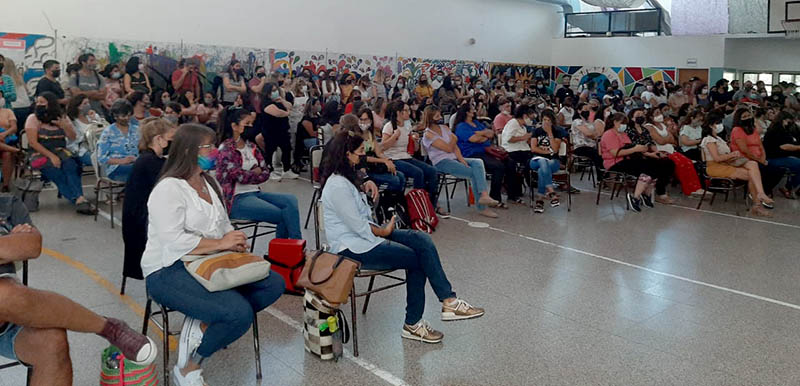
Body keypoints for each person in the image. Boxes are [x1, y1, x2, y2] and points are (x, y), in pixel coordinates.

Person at [142, 123, 284, 386]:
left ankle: (205, 323)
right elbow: (172, 241)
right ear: (188, 150)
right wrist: (221, 243)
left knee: (274, 283)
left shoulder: (209, 182)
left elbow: (223, 224)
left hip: (208, 262)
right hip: (168, 269)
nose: (214, 152)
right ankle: (189, 367)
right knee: (238, 314)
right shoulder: (169, 188)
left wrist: (235, 240)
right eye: (208, 147)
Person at [320, 130, 484, 344]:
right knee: (417, 260)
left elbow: (363, 217)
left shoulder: (348, 178)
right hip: (352, 248)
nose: (363, 156)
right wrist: (384, 231)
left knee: (420, 239)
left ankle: (449, 301)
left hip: (366, 237)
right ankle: (413, 323)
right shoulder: (338, 186)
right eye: (360, 152)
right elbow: (358, 227)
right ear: (347, 155)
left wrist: (365, 185)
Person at [0, 197, 157, 386]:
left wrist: (15, 246)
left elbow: (31, 246)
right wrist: (7, 245)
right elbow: (16, 247)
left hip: (10, 321)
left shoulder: (8, 205)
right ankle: (107, 327)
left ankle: (110, 328)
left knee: (51, 340)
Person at [216, 108, 302, 240]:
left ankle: (293, 247)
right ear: (235, 126)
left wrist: (251, 173)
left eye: (252, 123)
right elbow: (240, 177)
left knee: (290, 200)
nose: (252, 127)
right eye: (247, 124)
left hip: (255, 192)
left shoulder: (251, 146)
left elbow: (266, 172)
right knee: (284, 214)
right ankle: (292, 249)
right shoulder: (226, 149)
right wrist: (254, 172)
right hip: (236, 199)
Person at [122, 118, 176, 282]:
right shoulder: (149, 162)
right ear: (159, 139)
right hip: (141, 222)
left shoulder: (151, 159)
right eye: (171, 139)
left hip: (140, 215)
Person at [25, 92, 96, 214]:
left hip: (61, 151)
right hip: (40, 153)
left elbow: (73, 137)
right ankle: (79, 199)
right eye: (37, 102)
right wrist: (51, 156)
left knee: (71, 166)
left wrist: (64, 126)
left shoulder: (62, 117)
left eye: (42, 102)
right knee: (56, 171)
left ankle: (79, 199)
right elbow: (33, 143)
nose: (38, 105)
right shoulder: (33, 118)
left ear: (51, 104)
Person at [422, 106, 498, 217]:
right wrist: (454, 139)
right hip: (441, 161)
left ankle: (484, 195)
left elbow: (455, 147)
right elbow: (448, 148)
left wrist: (462, 160)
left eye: (440, 115)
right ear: (430, 118)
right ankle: (482, 205)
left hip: (454, 157)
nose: (440, 117)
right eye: (437, 116)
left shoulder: (444, 127)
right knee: (473, 173)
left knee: (478, 162)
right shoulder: (428, 134)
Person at [600, 113, 672, 212]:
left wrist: (646, 151)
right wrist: (635, 149)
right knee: (647, 168)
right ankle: (635, 197)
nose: (624, 125)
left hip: (628, 159)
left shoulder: (623, 134)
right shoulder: (609, 134)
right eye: (622, 123)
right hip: (615, 162)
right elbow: (614, 153)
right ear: (615, 122)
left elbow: (632, 147)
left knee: (657, 165)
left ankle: (646, 194)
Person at [700, 120, 774, 216]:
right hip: (715, 167)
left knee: (753, 164)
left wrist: (732, 156)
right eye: (715, 124)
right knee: (752, 175)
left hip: (726, 163)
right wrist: (732, 154)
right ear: (710, 126)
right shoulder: (709, 140)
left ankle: (760, 194)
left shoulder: (718, 138)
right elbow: (717, 158)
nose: (718, 126)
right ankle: (758, 204)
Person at [454, 103, 521, 207]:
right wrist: (483, 134)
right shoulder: (461, 126)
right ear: (467, 112)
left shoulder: (476, 123)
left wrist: (479, 133)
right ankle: (495, 198)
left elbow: (490, 133)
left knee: (510, 163)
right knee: (498, 166)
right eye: (472, 109)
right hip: (472, 154)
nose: (475, 110)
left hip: (487, 150)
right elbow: (473, 139)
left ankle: (512, 195)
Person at [381, 101, 441, 213]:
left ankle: (431, 203)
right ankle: (417, 204)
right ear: (399, 112)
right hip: (394, 158)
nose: (409, 112)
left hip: (406, 156)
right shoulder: (389, 126)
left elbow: (415, 149)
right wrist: (394, 137)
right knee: (418, 172)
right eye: (406, 110)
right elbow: (383, 147)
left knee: (432, 170)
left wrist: (415, 141)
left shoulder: (407, 125)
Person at [645, 107, 703, 196]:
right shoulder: (649, 126)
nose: (660, 115)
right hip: (661, 150)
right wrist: (667, 139)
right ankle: (689, 189)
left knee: (688, 162)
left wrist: (666, 139)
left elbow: (673, 140)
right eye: (657, 113)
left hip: (671, 149)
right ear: (651, 117)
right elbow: (660, 141)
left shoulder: (663, 125)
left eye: (660, 113)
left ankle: (696, 187)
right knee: (681, 164)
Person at [730, 108, 784, 203]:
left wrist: (763, 158)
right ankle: (757, 194)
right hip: (745, 159)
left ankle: (764, 192)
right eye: (744, 117)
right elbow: (744, 150)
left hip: (758, 158)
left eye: (748, 115)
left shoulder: (752, 129)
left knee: (779, 170)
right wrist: (759, 160)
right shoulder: (737, 130)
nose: (747, 118)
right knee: (764, 170)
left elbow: (760, 146)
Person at [625, 108, 677, 205]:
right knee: (655, 167)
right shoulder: (629, 130)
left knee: (669, 163)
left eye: (642, 114)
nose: (641, 116)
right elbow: (634, 147)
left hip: (649, 153)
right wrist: (649, 154)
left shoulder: (644, 130)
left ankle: (660, 191)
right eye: (638, 115)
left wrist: (657, 152)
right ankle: (648, 194)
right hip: (636, 156)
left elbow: (651, 144)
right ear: (632, 118)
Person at [357, 107, 405, 192]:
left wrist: (388, 160)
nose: (363, 122)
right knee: (395, 180)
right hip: (365, 168)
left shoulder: (370, 133)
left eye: (366, 119)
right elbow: (364, 158)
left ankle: (397, 200)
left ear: (371, 121)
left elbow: (378, 152)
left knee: (401, 176)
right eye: (361, 119)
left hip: (375, 165)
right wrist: (383, 161)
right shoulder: (357, 136)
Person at [529, 110, 567, 212]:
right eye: (544, 120)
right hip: (536, 160)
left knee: (542, 170)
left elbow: (555, 149)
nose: (546, 122)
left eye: (548, 120)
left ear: (552, 122)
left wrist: (550, 133)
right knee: (542, 162)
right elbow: (533, 148)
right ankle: (551, 191)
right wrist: (546, 152)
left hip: (553, 161)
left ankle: (540, 200)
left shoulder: (557, 132)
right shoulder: (536, 131)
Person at [260, 83, 299, 181]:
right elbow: (278, 113)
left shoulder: (279, 101)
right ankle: (269, 170)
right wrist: (287, 113)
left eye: (276, 90)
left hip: (283, 130)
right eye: (273, 91)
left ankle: (287, 169)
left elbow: (290, 105)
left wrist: (282, 100)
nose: (275, 92)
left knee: (286, 149)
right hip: (271, 131)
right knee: (270, 150)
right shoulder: (266, 103)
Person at [97, 99, 140, 182]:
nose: (127, 118)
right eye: (123, 116)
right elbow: (101, 158)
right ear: (115, 116)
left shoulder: (137, 130)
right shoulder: (108, 132)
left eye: (129, 115)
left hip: (136, 163)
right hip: (116, 168)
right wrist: (122, 161)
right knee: (138, 171)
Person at [764, 112, 800, 198]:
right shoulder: (776, 130)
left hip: (782, 156)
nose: (790, 123)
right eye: (789, 121)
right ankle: (788, 187)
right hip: (773, 158)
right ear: (783, 120)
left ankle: (792, 186)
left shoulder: (785, 130)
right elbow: (784, 147)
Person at [65, 94, 103, 170]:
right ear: (78, 106)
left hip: (99, 147)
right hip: (83, 150)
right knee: (102, 160)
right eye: (85, 103)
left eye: (88, 103)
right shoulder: (73, 121)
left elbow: (103, 129)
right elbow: (76, 139)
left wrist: (94, 120)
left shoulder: (94, 116)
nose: (88, 105)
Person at [570, 102, 604, 178]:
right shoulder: (577, 121)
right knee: (597, 155)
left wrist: (594, 135)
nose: (587, 111)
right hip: (581, 147)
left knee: (603, 152)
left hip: (592, 146)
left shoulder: (588, 122)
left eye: (588, 109)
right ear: (579, 111)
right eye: (585, 109)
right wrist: (594, 135)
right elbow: (588, 133)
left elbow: (598, 133)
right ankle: (601, 178)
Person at [0, 101, 18, 191]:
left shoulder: (8, 112)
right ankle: (16, 150)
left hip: (6, 139)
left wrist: (4, 134)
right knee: (9, 151)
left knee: (7, 155)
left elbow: (14, 128)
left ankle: (6, 185)